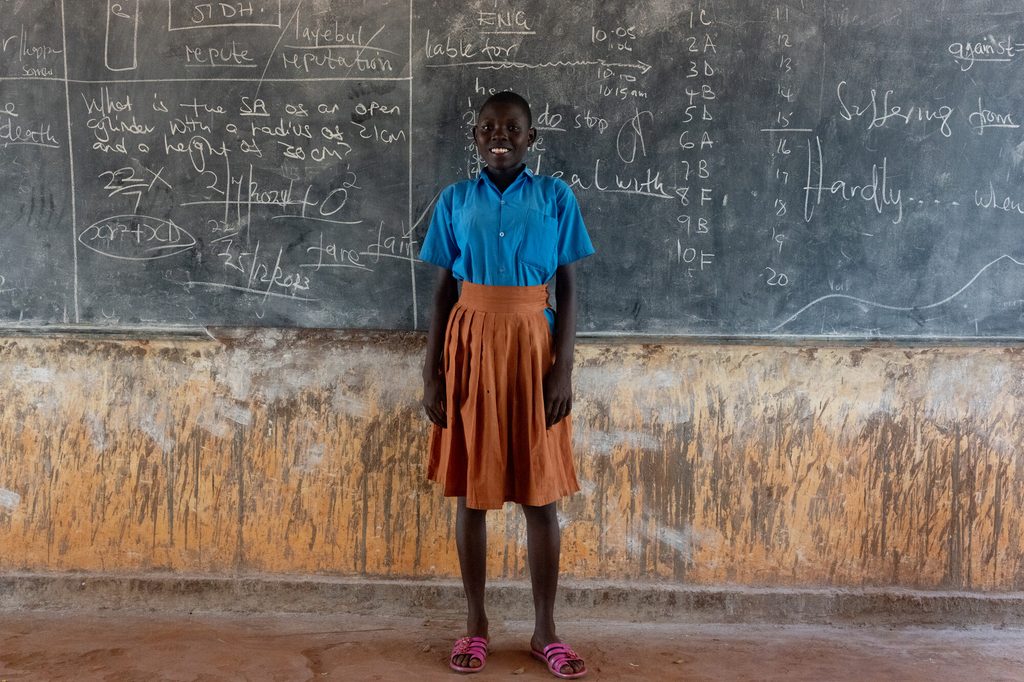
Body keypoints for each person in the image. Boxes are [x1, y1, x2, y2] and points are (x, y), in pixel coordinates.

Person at [419, 90, 594, 679]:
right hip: (468, 348)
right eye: (489, 127)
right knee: (473, 492)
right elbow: (443, 289)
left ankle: (546, 630)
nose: (501, 135)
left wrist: (562, 368)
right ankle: (476, 626)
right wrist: (432, 370)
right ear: (475, 137)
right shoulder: (454, 200)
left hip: (532, 350)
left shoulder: (554, 197)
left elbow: (567, 286)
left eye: (513, 127)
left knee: (539, 495)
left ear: (531, 137)